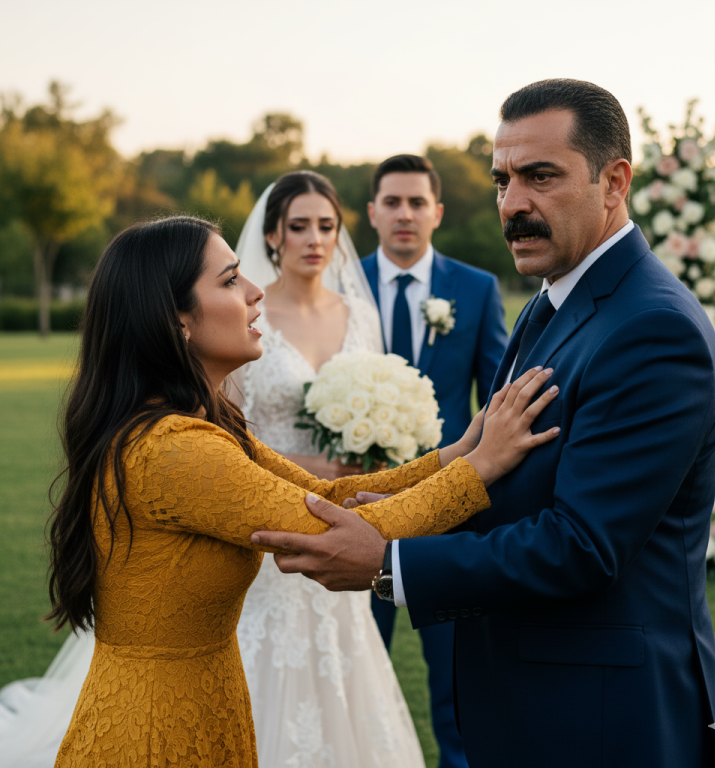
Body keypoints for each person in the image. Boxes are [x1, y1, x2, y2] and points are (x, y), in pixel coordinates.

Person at [253, 79, 715, 768]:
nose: (513, 205)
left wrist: (388, 562)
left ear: (614, 181)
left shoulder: (653, 329)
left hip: (600, 716)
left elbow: (582, 546)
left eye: (541, 177)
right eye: (503, 180)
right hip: (533, 695)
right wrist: (398, 510)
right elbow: (504, 477)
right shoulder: (551, 301)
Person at [40, 214, 560, 766]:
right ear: (176, 320)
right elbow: (334, 534)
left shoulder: (202, 424)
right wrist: (479, 470)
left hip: (201, 703)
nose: (255, 290)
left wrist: (457, 453)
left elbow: (329, 498)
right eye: (230, 280)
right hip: (152, 731)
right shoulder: (174, 449)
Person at [233, 171, 424, 767]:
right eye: (298, 227)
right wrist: (317, 465)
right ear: (272, 237)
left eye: (326, 226)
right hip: (269, 522)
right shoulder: (249, 315)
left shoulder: (358, 315)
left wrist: (382, 447)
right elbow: (225, 437)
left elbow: (382, 401)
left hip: (345, 523)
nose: (314, 239)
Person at [360, 155, 508, 768]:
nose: (404, 214)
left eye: (416, 202)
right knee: (357, 676)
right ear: (371, 212)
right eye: (391, 202)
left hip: (450, 512)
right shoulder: (338, 288)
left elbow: (499, 398)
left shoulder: (476, 288)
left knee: (454, 684)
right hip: (358, 511)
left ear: (437, 212)